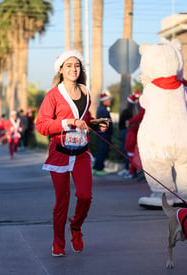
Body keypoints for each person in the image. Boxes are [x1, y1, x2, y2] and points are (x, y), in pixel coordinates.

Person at [35, 50, 109, 257]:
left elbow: (86, 118)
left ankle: (75, 227)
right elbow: (41, 125)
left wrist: (95, 124)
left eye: (76, 65)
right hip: (59, 154)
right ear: (60, 70)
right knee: (62, 202)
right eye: (68, 65)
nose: (73, 69)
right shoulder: (53, 95)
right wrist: (68, 123)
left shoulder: (86, 92)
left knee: (85, 196)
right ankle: (58, 243)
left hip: (81, 153)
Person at [118, 91, 140, 176]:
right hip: (134, 132)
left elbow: (121, 123)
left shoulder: (126, 111)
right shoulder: (136, 111)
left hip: (127, 132)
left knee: (128, 151)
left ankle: (129, 169)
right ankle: (131, 169)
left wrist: (123, 128)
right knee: (132, 152)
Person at [92, 90, 113, 176]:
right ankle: (99, 168)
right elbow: (105, 124)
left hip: (101, 134)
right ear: (104, 101)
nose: (110, 101)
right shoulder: (103, 110)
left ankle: (96, 167)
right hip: (103, 135)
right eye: (108, 100)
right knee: (102, 151)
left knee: (100, 151)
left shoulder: (101, 108)